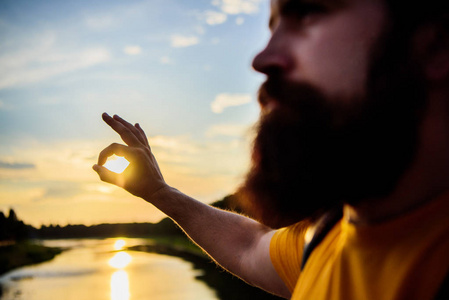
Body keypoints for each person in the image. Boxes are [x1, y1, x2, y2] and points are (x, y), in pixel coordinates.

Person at [93, 0, 449, 299]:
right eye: (273, 27)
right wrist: (159, 193)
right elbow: (249, 246)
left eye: (308, 12)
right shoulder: (326, 238)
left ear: (434, 46)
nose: (261, 58)